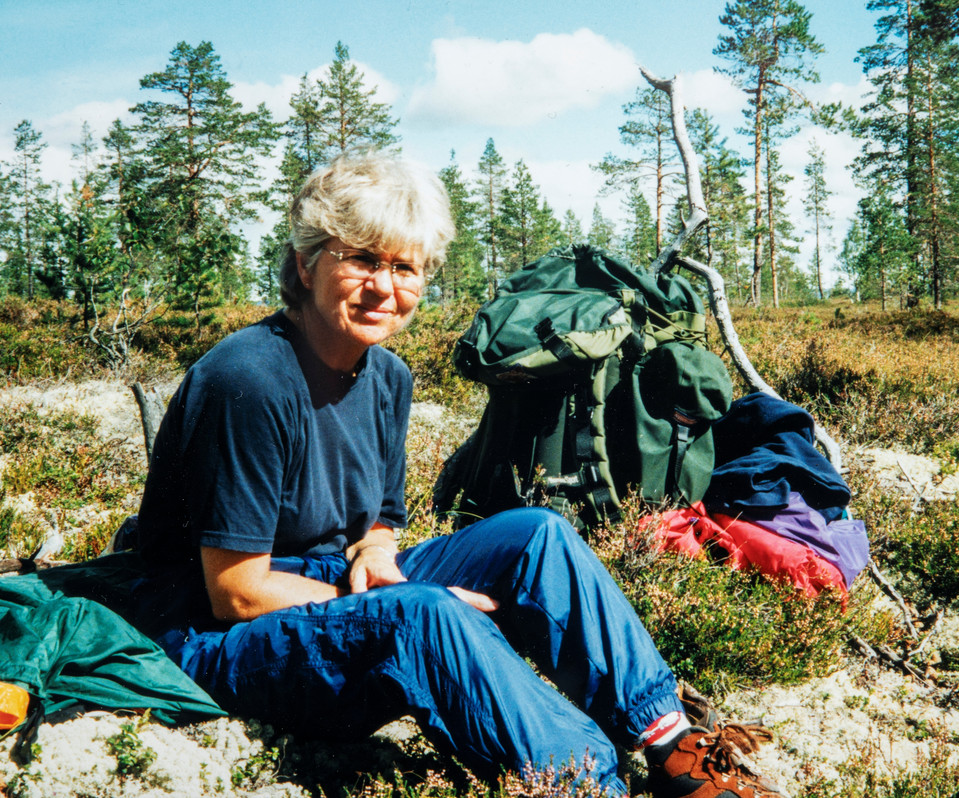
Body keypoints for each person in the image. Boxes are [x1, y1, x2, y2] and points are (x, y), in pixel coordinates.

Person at [130, 150, 778, 798]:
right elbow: (236, 594)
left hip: (318, 585)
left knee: (537, 536)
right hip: (211, 637)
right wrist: (394, 598)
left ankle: (673, 744)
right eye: (361, 258)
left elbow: (381, 516)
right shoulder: (249, 380)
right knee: (423, 615)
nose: (384, 287)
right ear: (305, 263)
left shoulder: (387, 376)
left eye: (404, 267)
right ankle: (590, 783)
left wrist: (377, 549)